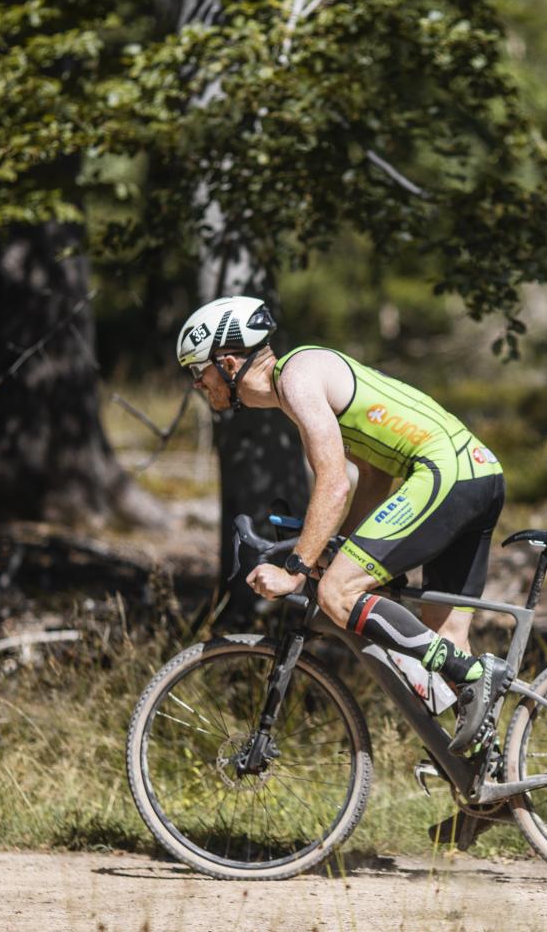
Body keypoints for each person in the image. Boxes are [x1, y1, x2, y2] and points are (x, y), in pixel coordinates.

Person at [177, 295, 509, 755]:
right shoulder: (301, 381)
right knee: (446, 639)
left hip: (445, 473)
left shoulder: (296, 380)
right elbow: (373, 475)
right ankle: (490, 776)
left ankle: (473, 674)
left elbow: (333, 484)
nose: (197, 384)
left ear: (228, 363)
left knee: (337, 594)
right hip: (479, 472)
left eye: (199, 371)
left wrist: (296, 568)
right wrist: (343, 546)